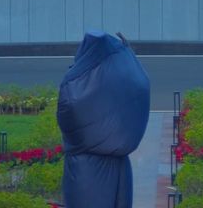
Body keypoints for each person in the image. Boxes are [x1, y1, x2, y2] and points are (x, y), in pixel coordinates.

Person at [57, 31, 150, 207]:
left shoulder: (76, 84)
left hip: (85, 170)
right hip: (119, 167)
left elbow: (67, 116)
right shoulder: (123, 78)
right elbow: (141, 87)